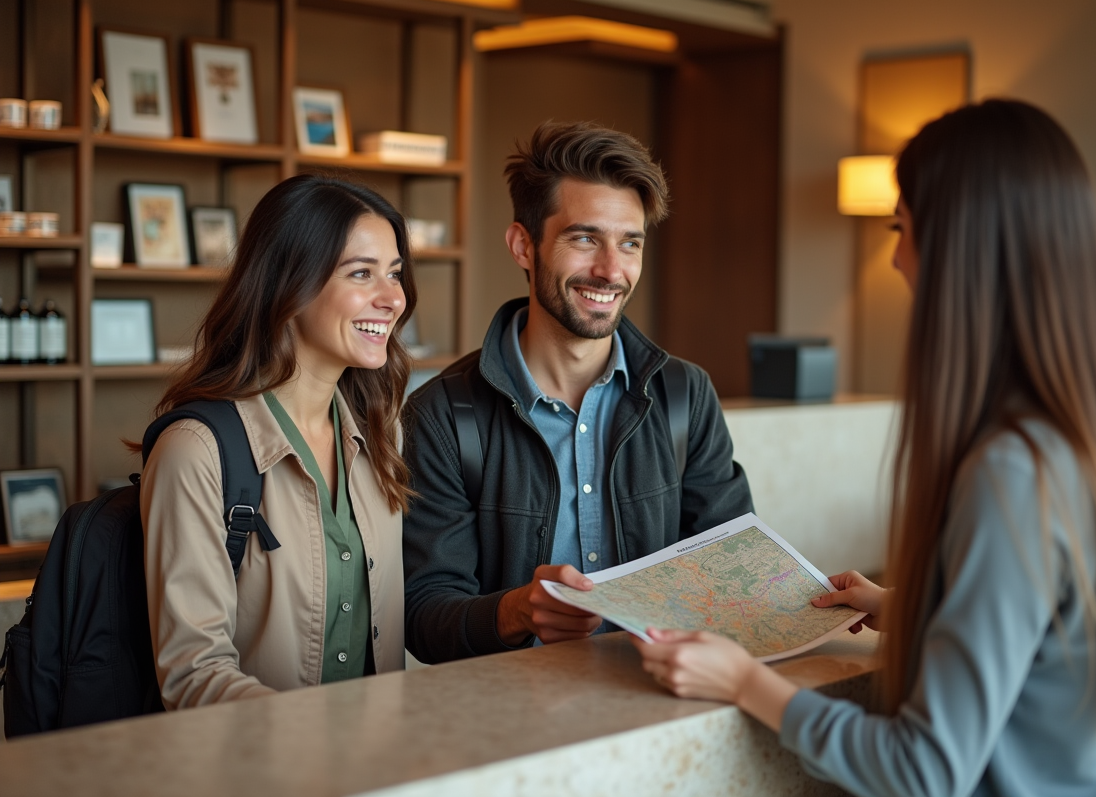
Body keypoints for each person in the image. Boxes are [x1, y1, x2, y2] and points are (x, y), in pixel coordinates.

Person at [634, 99, 1096, 796]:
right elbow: (1044, 641)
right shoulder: (1077, 439)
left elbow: (924, 769)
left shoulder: (1009, 471)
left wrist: (745, 683)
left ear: (961, 248)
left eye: (902, 228)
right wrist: (920, 606)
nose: (895, 258)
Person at [403, 121, 755, 663]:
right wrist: (516, 611)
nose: (611, 270)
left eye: (630, 243)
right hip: (511, 723)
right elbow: (424, 616)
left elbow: (733, 574)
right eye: (585, 238)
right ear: (524, 245)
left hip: (657, 701)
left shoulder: (686, 394)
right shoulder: (444, 415)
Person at [141, 174, 418, 708]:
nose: (394, 299)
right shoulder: (194, 450)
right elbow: (192, 675)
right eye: (362, 273)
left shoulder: (382, 433)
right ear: (290, 285)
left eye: (395, 274)